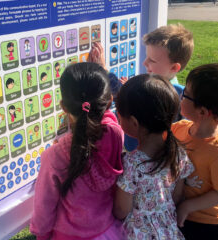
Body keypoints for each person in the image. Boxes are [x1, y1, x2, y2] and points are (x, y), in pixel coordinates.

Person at [30, 62, 126, 240]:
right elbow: (107, 121)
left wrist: (42, 235)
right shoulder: (116, 134)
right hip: (107, 230)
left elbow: (44, 205)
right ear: (109, 102)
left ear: (63, 107)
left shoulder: (55, 156)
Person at [113, 74, 194, 239]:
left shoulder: (132, 163)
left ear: (134, 123)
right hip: (168, 230)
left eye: (119, 116)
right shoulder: (179, 153)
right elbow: (177, 196)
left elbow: (121, 210)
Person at [172, 63, 218, 240]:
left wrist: (187, 206)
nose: (181, 95)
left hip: (210, 225)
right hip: (181, 212)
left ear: (203, 111)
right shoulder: (179, 129)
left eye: (186, 94)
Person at [142, 23, 194, 96]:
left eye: (152, 60)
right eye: (147, 56)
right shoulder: (156, 81)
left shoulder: (168, 95)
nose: (144, 63)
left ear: (174, 67)